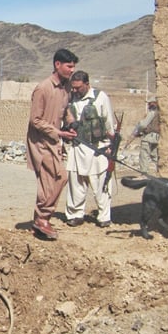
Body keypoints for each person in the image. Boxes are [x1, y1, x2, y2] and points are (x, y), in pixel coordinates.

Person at [26, 48, 79, 240]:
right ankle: (42, 218)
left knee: (49, 182)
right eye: (69, 66)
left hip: (55, 141)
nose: (72, 70)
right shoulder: (43, 88)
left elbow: (65, 111)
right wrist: (58, 132)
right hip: (41, 142)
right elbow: (36, 120)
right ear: (57, 65)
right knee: (60, 177)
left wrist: (71, 124)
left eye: (73, 66)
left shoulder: (66, 88)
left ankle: (39, 223)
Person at [64, 71, 115, 228]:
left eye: (78, 88)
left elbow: (108, 122)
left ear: (87, 84)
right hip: (77, 148)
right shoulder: (70, 100)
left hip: (97, 148)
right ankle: (76, 214)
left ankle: (104, 216)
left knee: (101, 183)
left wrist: (110, 146)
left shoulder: (100, 97)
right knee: (76, 183)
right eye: (73, 88)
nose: (75, 91)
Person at [131, 96, 159, 175]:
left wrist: (137, 132)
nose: (148, 105)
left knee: (144, 155)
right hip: (156, 138)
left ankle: (144, 173)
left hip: (148, 137)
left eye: (150, 103)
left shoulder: (152, 111)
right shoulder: (160, 112)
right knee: (155, 156)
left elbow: (143, 125)